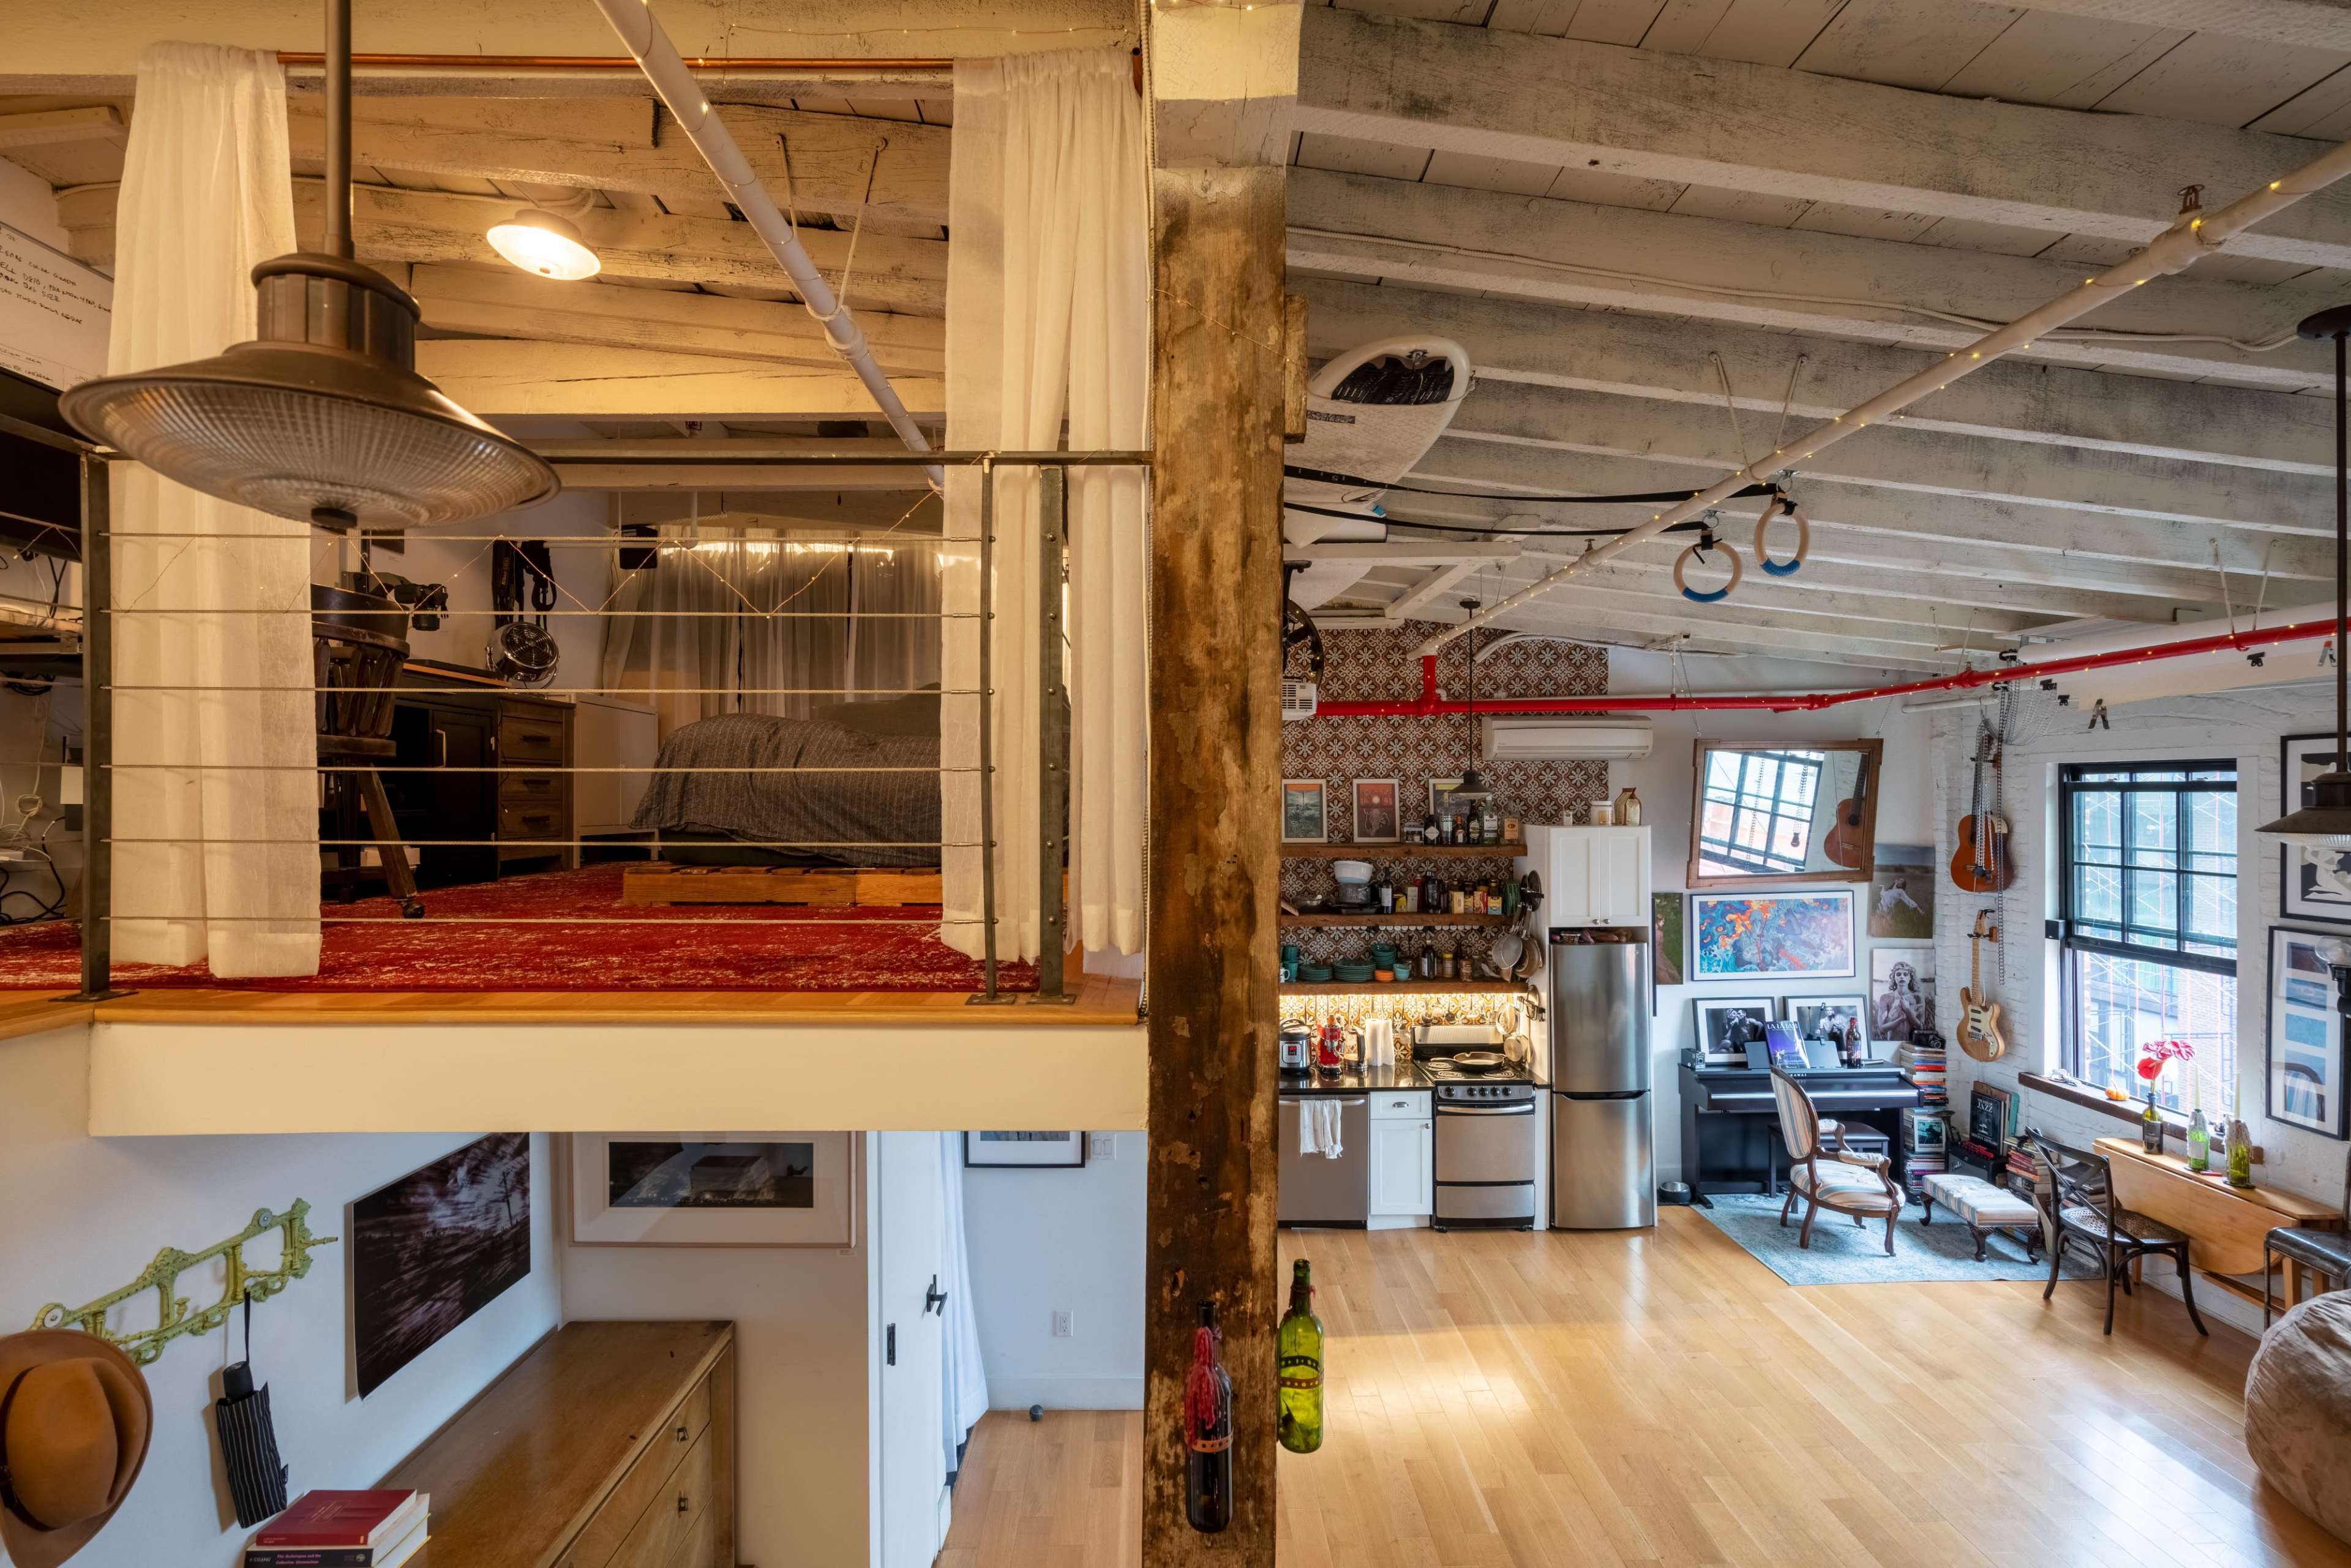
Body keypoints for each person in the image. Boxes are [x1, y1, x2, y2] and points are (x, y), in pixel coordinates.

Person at [1873, 961, 1930, 1039]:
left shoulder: (1918, 997)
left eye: (1905, 974)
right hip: (1892, 1043)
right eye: (1898, 974)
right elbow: (1882, 1029)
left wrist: (1907, 1010)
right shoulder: (1885, 998)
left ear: (1910, 978)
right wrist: (1901, 1019)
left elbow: (1921, 1027)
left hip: (1911, 1044)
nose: (1902, 977)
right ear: (1894, 978)